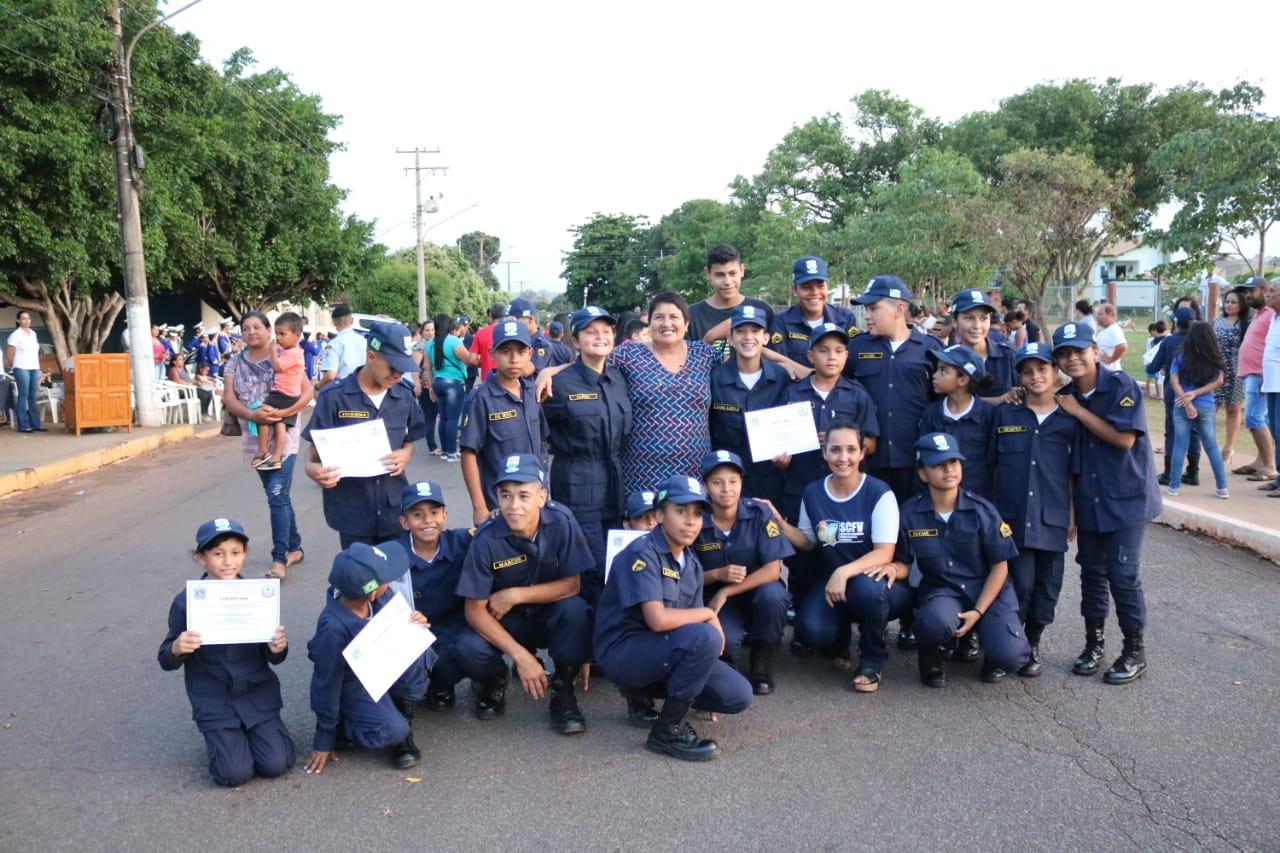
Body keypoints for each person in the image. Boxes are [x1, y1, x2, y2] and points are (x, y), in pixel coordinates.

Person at [594, 474, 752, 761]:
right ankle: (667, 731)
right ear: (659, 515)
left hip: (660, 650)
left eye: (697, 514)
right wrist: (707, 613)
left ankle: (649, 694)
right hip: (623, 652)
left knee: (736, 694)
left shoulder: (690, 562)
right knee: (704, 635)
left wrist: (699, 674)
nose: (691, 521)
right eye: (680, 512)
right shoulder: (644, 552)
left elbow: (688, 625)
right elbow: (658, 620)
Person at [451, 454, 593, 734]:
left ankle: (562, 692)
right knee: (468, 648)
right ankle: (494, 679)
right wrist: (519, 656)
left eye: (523, 496)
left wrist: (515, 594)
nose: (513, 506)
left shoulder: (562, 521)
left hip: (545, 614)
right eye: (506, 496)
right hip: (507, 622)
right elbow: (474, 610)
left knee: (576, 611)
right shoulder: (486, 538)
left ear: (542, 496)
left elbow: (572, 585)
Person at [1052, 321, 1161, 685]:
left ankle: (1134, 651)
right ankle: (1093, 645)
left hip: (1126, 498)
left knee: (1123, 575)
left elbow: (1124, 439)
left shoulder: (1120, 386)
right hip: (1089, 500)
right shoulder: (1065, 397)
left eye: (1079, 351)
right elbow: (1066, 461)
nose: (1072, 359)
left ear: (1095, 351)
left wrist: (1078, 412)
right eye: (1064, 354)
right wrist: (1069, 509)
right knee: (1092, 575)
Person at [768, 423, 908, 692]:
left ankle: (872, 659)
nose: (843, 458)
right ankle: (840, 631)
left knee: (866, 591)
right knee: (812, 631)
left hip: (877, 582)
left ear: (862, 453)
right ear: (824, 453)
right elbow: (808, 542)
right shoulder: (813, 492)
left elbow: (884, 552)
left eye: (851, 450)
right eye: (835, 450)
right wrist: (779, 521)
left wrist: (842, 572)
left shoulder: (880, 493)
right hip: (835, 583)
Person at [158, 518, 293, 786]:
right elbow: (165, 658)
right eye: (217, 554)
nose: (228, 562)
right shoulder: (186, 603)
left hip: (257, 695)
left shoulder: (258, 597)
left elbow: (274, 657)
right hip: (215, 700)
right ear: (200, 557)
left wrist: (278, 647)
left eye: (235, 553)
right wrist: (177, 648)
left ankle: (255, 737)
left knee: (275, 764)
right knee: (234, 774)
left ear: (246, 554)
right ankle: (223, 741)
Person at [897, 432, 1030, 686]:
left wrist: (978, 612)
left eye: (954, 462)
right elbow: (903, 562)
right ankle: (930, 657)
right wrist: (892, 569)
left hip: (987, 591)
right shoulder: (910, 514)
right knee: (933, 621)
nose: (949, 470)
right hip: (943, 591)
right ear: (923, 474)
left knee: (1012, 657)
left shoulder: (982, 510)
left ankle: (992, 653)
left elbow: (1000, 567)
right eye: (938, 465)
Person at [304, 542, 435, 774]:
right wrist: (325, 734)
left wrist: (416, 622)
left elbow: (403, 623)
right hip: (353, 683)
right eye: (386, 579)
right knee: (393, 730)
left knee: (421, 652)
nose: (391, 581)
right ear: (372, 590)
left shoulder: (376, 596)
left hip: (381, 663)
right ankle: (346, 727)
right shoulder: (332, 628)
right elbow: (326, 682)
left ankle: (402, 713)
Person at [992, 343, 1079, 677]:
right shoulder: (1007, 413)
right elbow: (993, 466)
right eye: (1028, 371)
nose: (1036, 376)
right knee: (1019, 583)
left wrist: (1072, 512)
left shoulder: (1070, 418)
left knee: (1047, 586)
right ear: (1020, 378)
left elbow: (1074, 473)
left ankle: (1032, 642)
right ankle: (1007, 646)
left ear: (1054, 372)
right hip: (1013, 516)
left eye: (1042, 369)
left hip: (1053, 514)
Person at [303, 321, 426, 548]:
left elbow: (410, 439)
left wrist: (405, 454)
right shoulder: (334, 397)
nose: (398, 375)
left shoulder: (403, 396)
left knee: (395, 578)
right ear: (371, 356)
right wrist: (313, 471)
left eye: (403, 369)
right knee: (361, 580)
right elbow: (312, 458)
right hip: (352, 511)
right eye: (392, 367)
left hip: (394, 510)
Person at [541, 306, 632, 600]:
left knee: (617, 562)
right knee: (591, 566)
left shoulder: (619, 378)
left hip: (616, 485)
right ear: (575, 341)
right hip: (577, 483)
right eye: (590, 332)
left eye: (606, 331)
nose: (600, 337)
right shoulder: (557, 384)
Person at [693, 450, 793, 694]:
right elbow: (685, 575)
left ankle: (762, 659)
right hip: (715, 599)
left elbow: (772, 570)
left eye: (733, 481)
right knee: (724, 638)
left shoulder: (760, 513)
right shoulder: (695, 519)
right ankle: (725, 666)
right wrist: (717, 575)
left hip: (755, 591)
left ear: (742, 483)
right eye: (717, 482)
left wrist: (726, 590)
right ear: (705, 486)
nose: (726, 489)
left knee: (774, 596)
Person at [221, 312, 311, 581]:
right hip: (254, 439)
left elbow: (307, 393)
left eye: (257, 327)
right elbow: (229, 397)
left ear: (269, 330)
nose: (251, 332)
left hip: (284, 438)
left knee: (276, 495)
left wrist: (284, 414)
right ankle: (295, 547)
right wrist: (253, 416)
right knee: (278, 495)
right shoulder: (234, 362)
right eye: (245, 328)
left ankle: (280, 558)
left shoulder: (284, 355)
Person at [846, 275, 943, 503]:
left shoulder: (931, 350)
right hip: (868, 461)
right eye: (866, 310)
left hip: (916, 461)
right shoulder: (856, 347)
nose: (867, 316)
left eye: (873, 309)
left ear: (899, 308)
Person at [392, 481, 475, 713]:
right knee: (423, 663)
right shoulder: (393, 555)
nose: (428, 521)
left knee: (477, 650)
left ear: (445, 515)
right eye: (418, 514)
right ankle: (439, 685)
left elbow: (496, 538)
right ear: (404, 522)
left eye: (435, 512)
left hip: (457, 625)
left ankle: (490, 680)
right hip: (417, 630)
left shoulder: (463, 541)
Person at [459, 320, 546, 525]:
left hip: (534, 501)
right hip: (501, 506)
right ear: (491, 354)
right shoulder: (481, 398)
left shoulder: (532, 392)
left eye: (520, 351)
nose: (514, 359)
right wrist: (479, 507)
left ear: (529, 354)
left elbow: (541, 446)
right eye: (506, 351)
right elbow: (468, 453)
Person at [709, 304, 791, 500]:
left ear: (766, 338)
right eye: (740, 331)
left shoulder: (780, 377)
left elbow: (788, 426)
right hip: (727, 484)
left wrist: (787, 456)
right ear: (730, 338)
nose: (748, 337)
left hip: (771, 480)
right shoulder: (715, 378)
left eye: (755, 331)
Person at [918, 345, 997, 501]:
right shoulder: (931, 413)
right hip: (940, 500)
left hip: (978, 499)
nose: (934, 376)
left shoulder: (988, 414)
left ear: (963, 379)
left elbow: (994, 463)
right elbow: (923, 458)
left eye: (943, 371)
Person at [766, 255, 860, 376]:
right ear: (794, 290)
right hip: (795, 392)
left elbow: (853, 364)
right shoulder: (780, 322)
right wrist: (819, 378)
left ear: (828, 287)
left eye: (820, 286)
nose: (815, 292)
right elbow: (781, 368)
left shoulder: (845, 318)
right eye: (806, 287)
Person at [1167, 322, 1229, 498]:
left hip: (1180, 404)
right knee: (1211, 446)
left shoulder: (1180, 356)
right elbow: (1218, 382)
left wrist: (1186, 399)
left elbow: (1174, 380)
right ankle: (1222, 488)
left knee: (1180, 444)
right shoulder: (1214, 357)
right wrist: (1195, 394)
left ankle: (1174, 486)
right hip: (1206, 405)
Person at [687, 244, 773, 358]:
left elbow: (775, 358)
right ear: (708, 274)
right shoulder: (691, 315)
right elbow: (683, 366)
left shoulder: (762, 310)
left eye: (733, 273)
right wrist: (709, 338)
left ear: (742, 270)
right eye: (720, 275)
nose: (727, 281)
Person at [1149, 308, 1201, 486]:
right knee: (1193, 431)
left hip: (1174, 393)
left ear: (1176, 322)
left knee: (1172, 431)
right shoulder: (1199, 340)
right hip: (1196, 393)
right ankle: (1193, 472)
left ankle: (1169, 473)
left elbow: (1152, 367)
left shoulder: (1169, 341)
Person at [251, 312, 306, 471]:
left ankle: (263, 451)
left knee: (262, 416)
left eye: (283, 334)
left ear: (296, 335)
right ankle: (276, 459)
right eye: (277, 334)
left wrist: (273, 351)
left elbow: (277, 367)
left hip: (282, 394)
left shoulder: (293, 353)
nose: (279, 338)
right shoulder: (292, 352)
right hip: (289, 395)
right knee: (280, 426)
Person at [423, 314, 480, 463]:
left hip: (438, 382)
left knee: (443, 418)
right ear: (449, 326)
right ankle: (451, 452)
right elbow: (468, 359)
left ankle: (444, 451)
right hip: (454, 383)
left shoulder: (429, 344)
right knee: (453, 419)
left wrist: (430, 387)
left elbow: (427, 368)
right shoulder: (453, 341)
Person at [1237, 277, 1277, 482]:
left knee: (1254, 418)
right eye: (1246, 292)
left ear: (1264, 290)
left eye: (1251, 291)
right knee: (1262, 420)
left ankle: (1270, 466)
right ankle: (1260, 461)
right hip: (1252, 374)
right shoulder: (1260, 315)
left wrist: (1264, 374)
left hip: (1260, 375)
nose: (1248, 295)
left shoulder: (1271, 315)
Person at [948, 289, 1017, 399]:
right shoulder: (947, 360)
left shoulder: (1010, 356)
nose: (977, 326)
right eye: (969, 318)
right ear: (955, 322)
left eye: (983, 318)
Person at [1212, 289, 1248, 468]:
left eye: (1233, 302)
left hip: (1238, 371)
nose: (1229, 305)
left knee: (1234, 410)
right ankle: (1209, 445)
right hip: (1217, 370)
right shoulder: (1216, 322)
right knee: (1210, 408)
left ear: (1242, 304)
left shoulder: (1246, 324)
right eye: (1227, 301)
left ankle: (1228, 448)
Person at [5, 310, 44, 433]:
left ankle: (35, 425)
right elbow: (10, 352)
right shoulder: (16, 335)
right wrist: (11, 364)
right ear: (18, 321)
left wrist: (39, 368)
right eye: (23, 318)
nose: (27, 321)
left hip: (34, 368)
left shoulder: (33, 333)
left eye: (28, 318)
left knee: (32, 396)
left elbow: (35, 352)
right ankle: (23, 426)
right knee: (23, 396)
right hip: (21, 368)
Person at [1259, 281, 1280, 497]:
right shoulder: (1274, 318)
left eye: (1272, 292)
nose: (1268, 295)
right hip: (1272, 384)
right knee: (1276, 432)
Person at [316, 304, 365, 389]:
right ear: (352, 321)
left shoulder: (334, 344)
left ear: (334, 322)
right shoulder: (364, 341)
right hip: (362, 389)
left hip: (342, 390)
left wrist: (317, 387)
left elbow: (330, 375)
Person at [469, 303, 507, 384]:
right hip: (507, 380)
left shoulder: (480, 333)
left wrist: (484, 362)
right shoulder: (511, 333)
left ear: (490, 315)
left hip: (487, 381)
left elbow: (472, 360)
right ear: (505, 315)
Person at [1094, 303, 1128, 372]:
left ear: (1110, 315)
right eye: (1097, 314)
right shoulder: (1106, 330)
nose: (1097, 317)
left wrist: (1111, 359)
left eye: (1100, 314)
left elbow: (1122, 346)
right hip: (1103, 373)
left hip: (1110, 373)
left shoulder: (1114, 329)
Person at [1143, 321, 1168, 399]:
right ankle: (1150, 392)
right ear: (1152, 331)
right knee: (1152, 378)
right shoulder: (1151, 340)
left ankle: (1157, 394)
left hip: (1154, 360)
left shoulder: (1155, 339)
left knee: (1156, 378)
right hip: (1150, 361)